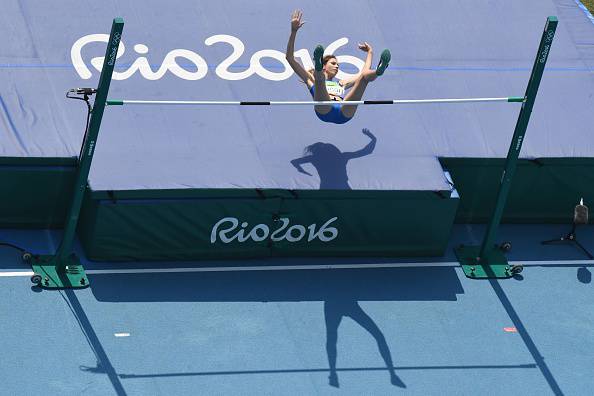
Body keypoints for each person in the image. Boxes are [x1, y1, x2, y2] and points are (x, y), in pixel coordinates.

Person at [285, 9, 391, 124]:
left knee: (364, 78)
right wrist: (293, 31)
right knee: (319, 81)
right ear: (325, 66)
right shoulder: (310, 79)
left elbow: (364, 73)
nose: (337, 67)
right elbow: (289, 58)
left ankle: (379, 70)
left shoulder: (341, 83)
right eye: (333, 63)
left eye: (338, 65)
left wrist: (370, 52)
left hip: (343, 113)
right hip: (324, 110)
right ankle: (318, 67)